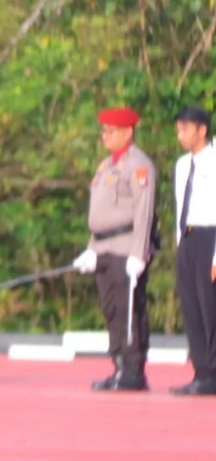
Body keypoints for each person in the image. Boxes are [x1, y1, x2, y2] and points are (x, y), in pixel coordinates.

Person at [71, 107, 156, 392]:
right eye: (103, 130)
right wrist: (91, 249)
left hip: (126, 248)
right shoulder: (106, 165)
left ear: (128, 132)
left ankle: (133, 370)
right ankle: (119, 366)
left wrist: (139, 253)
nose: (104, 136)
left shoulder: (139, 165)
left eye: (110, 131)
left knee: (128, 309)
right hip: (104, 249)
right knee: (110, 309)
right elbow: (101, 213)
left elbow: (144, 213)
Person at [169, 105, 216, 395]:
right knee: (192, 308)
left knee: (210, 307)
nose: (180, 135)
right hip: (187, 239)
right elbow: (179, 206)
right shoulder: (182, 164)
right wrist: (179, 244)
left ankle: (213, 372)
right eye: (178, 129)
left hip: (210, 237)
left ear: (202, 129)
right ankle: (201, 371)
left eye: (185, 129)